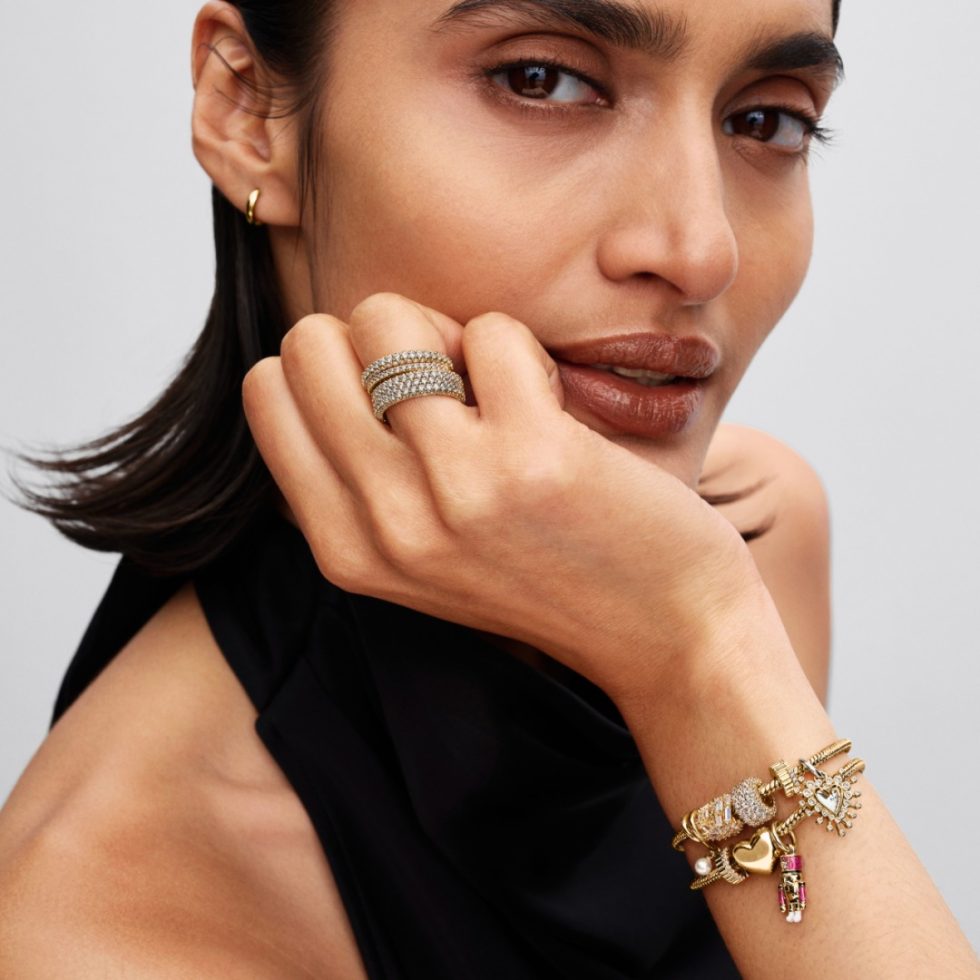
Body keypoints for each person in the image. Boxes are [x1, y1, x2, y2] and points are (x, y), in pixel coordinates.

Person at [0, 0, 976, 976]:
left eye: (766, 120)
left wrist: (699, 654)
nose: (699, 250)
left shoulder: (745, 543)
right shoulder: (105, 929)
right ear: (250, 113)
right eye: (540, 79)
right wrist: (699, 648)